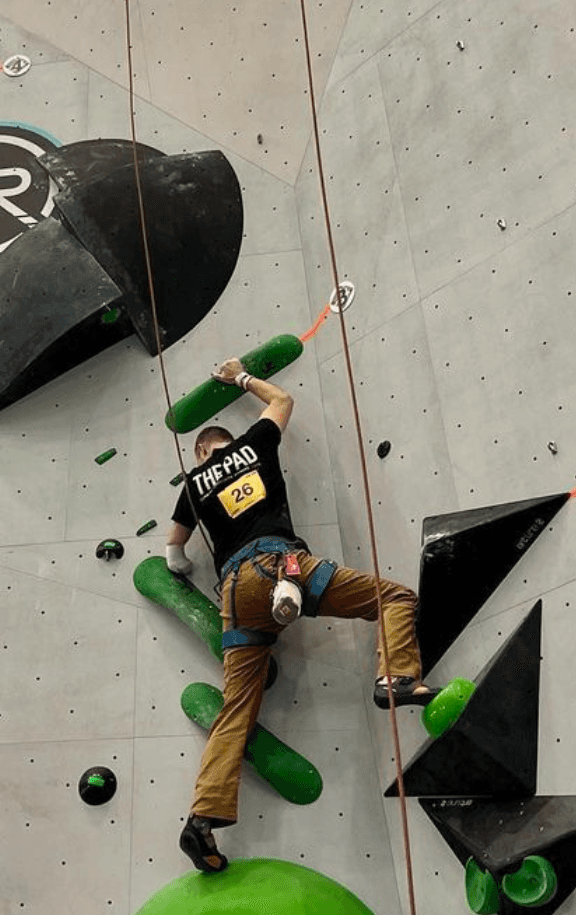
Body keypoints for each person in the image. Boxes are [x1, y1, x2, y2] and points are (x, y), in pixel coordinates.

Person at [165, 359, 435, 874]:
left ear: (201, 451)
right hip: (278, 561)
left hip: (233, 596)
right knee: (394, 598)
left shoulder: (193, 486)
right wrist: (241, 376)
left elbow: (175, 551)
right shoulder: (253, 443)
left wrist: (180, 567)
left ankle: (201, 820)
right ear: (227, 440)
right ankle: (395, 676)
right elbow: (283, 401)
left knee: (236, 709)